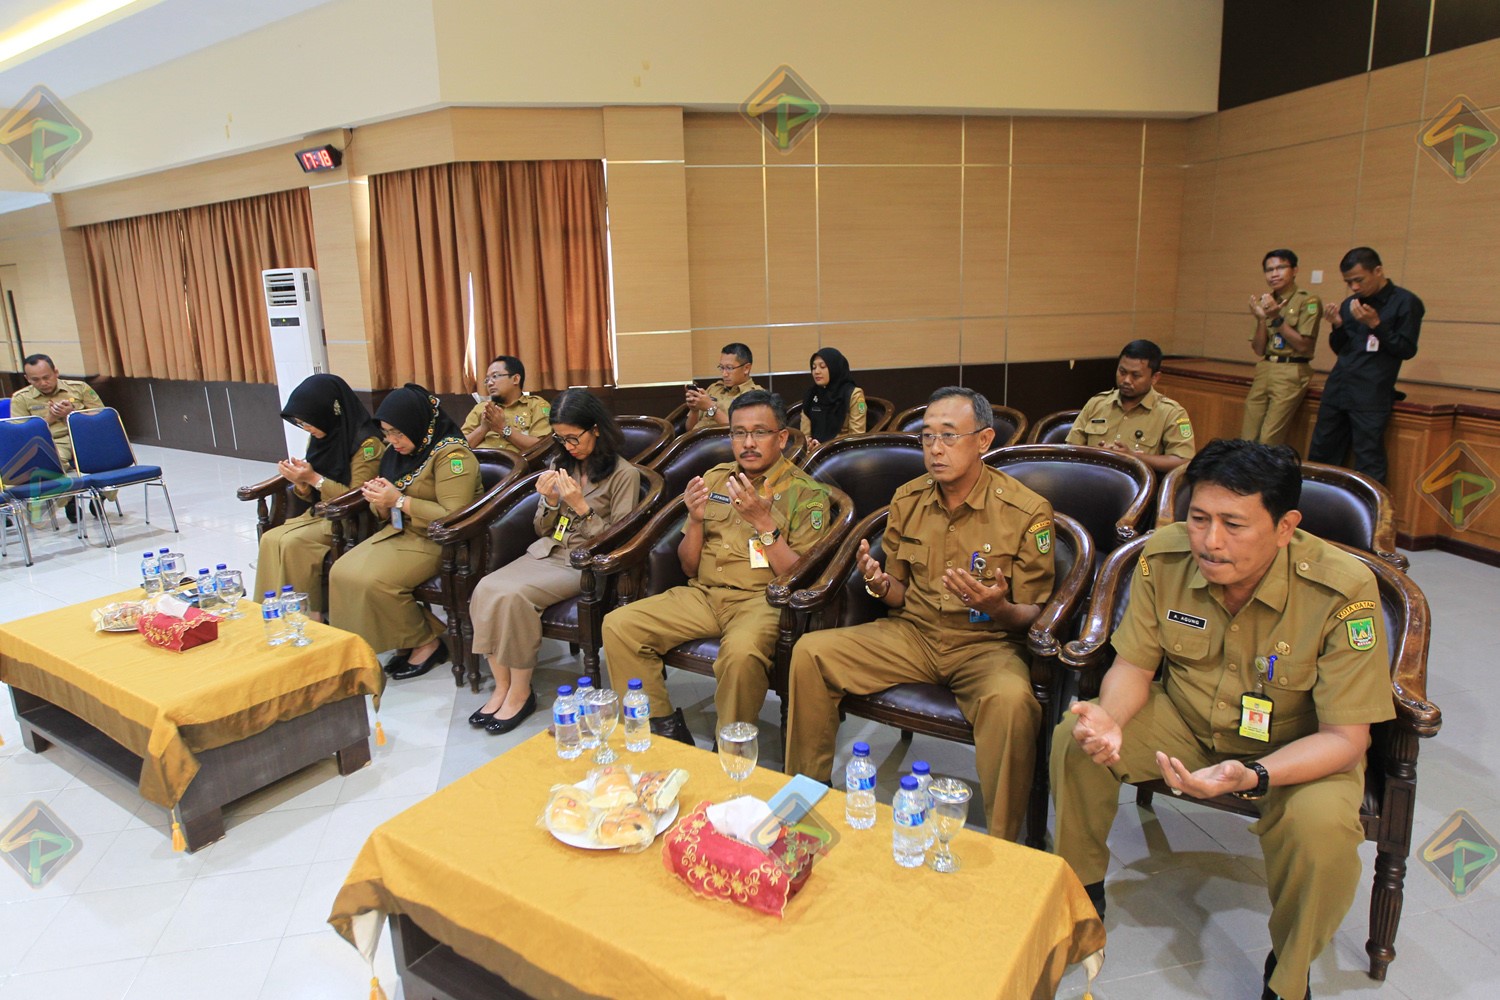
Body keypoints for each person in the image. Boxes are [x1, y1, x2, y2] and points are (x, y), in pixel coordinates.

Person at [1051, 439, 1394, 1000]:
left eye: (1233, 524)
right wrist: (1110, 719)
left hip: (1295, 747)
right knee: (1078, 738)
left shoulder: (1343, 590)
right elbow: (1134, 667)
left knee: (1322, 832)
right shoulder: (1164, 556)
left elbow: (1345, 738)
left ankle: (1288, 974)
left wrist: (1253, 775)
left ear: (1285, 527)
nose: (1210, 541)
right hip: (1185, 719)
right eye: (1199, 518)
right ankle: (1081, 897)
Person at [785, 387, 1055, 841]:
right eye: (927, 436)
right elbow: (899, 592)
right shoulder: (908, 499)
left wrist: (998, 607)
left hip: (986, 645)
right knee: (811, 653)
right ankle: (806, 803)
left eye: (949, 436)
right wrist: (878, 583)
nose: (935, 448)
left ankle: (1007, 843)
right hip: (914, 634)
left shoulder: (1025, 511)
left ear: (984, 440)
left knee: (1012, 703)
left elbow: (1034, 613)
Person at [603, 390, 831, 745]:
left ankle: (731, 747)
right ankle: (662, 731)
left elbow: (798, 577)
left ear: (782, 438)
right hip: (705, 595)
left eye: (760, 432)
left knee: (740, 655)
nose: (748, 443)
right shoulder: (716, 478)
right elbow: (688, 565)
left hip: (761, 602)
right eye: (739, 433)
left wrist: (763, 522)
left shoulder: (807, 493)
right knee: (619, 625)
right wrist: (695, 521)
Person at [465, 390, 642, 735]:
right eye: (561, 439)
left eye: (574, 438)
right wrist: (547, 502)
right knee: (485, 587)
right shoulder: (561, 465)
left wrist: (581, 507)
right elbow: (542, 529)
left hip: (583, 564)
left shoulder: (624, 475)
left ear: (596, 429)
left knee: (514, 596)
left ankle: (520, 692)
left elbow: (619, 539)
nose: (569, 446)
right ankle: (501, 687)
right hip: (547, 551)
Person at [328, 384, 481, 680]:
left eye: (398, 433)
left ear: (418, 424)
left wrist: (398, 501)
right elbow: (385, 506)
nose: (392, 441)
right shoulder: (395, 453)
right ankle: (399, 641)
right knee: (341, 572)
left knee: (374, 582)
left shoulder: (452, 455)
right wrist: (379, 502)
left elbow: (455, 515)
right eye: (386, 433)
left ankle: (426, 642)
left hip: (440, 542)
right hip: (400, 532)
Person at [254, 374, 385, 621]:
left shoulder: (367, 443)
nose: (307, 428)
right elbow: (309, 495)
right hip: (321, 514)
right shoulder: (319, 438)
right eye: (301, 424)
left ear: (329, 412)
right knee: (271, 539)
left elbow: (359, 496)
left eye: (309, 422)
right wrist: (300, 482)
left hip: (351, 520)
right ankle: (271, 615)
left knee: (293, 543)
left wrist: (314, 478)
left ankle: (307, 617)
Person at [1307, 247, 1423, 484]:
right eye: (1348, 282)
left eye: (1358, 280)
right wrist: (1337, 326)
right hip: (1338, 388)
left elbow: (1406, 349)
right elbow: (1342, 349)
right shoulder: (1351, 304)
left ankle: (1370, 508)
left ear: (1378, 271)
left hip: (1371, 392)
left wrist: (1376, 325)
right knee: (1321, 453)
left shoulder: (1405, 302)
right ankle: (1317, 505)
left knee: (1368, 459)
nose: (1354, 287)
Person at [1067, 339, 1195, 474]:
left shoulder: (1171, 413)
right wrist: (1099, 454)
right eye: (1122, 372)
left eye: (1136, 375)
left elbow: (1183, 461)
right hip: (1090, 479)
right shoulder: (1097, 403)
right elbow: (1071, 448)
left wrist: (1134, 457)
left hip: (1141, 485)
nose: (1127, 380)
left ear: (1155, 378)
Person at [11, 353, 107, 522]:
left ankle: (102, 494)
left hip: (83, 436)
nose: (43, 383)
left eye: (46, 377)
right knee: (49, 462)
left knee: (109, 457)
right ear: (27, 379)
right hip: (53, 441)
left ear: (55, 372)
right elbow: (21, 434)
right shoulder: (21, 398)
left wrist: (73, 413)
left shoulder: (79, 388)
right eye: (35, 380)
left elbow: (102, 417)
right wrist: (49, 419)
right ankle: (68, 499)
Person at [1243, 249, 1322, 445]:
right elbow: (1258, 349)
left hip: (1291, 369)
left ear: (1294, 270)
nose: (1274, 274)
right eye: (1269, 270)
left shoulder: (1308, 301)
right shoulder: (1265, 302)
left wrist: (1276, 318)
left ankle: (1266, 467)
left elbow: (1304, 346)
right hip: (1265, 367)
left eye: (1280, 268)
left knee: (1269, 438)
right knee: (1248, 436)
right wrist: (1262, 319)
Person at [462, 355, 552, 454]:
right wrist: (483, 428)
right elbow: (459, 447)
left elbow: (543, 447)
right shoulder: (482, 408)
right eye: (487, 379)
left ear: (515, 379)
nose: (490, 383)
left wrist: (504, 429)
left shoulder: (536, 405)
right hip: (481, 461)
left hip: (517, 462)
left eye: (495, 376)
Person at [683, 342, 764, 431]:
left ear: (746, 368)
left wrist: (711, 408)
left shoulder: (756, 395)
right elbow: (689, 429)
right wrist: (694, 410)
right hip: (694, 438)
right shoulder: (714, 388)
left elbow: (739, 431)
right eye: (721, 368)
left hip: (718, 440)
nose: (724, 374)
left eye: (729, 368)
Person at [799, 347, 868, 449]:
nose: (816, 371)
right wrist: (808, 443)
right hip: (813, 452)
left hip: (841, 452)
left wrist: (824, 448)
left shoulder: (853, 395)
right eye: (813, 367)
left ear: (834, 368)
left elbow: (857, 437)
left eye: (822, 367)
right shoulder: (811, 395)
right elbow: (804, 434)